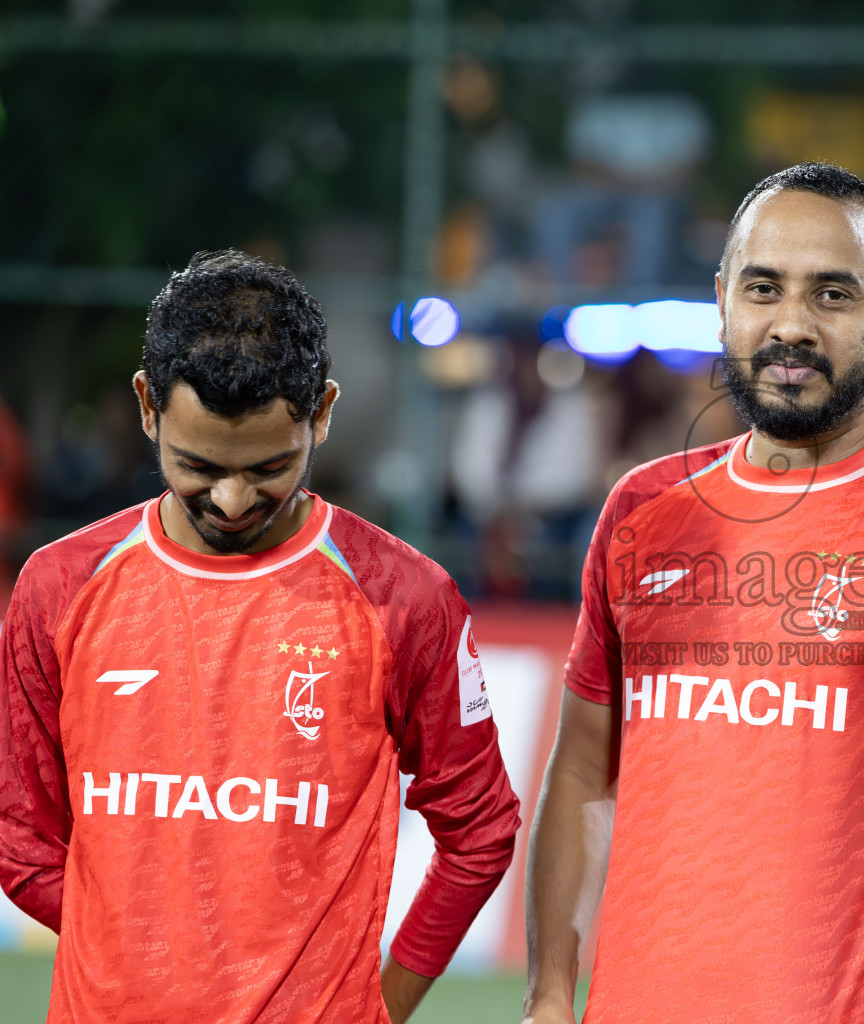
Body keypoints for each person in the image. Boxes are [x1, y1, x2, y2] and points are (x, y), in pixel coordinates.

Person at [523, 162, 864, 1024]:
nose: (791, 325)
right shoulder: (641, 510)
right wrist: (551, 993)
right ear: (722, 302)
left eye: (833, 296)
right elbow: (585, 773)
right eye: (764, 288)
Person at [0, 251, 521, 1023]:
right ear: (148, 406)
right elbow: (20, 839)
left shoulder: (405, 599)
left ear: (323, 413)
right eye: (198, 466)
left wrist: (382, 1002)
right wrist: (136, 957)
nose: (235, 499)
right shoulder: (58, 587)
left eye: (271, 467)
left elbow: (481, 831)